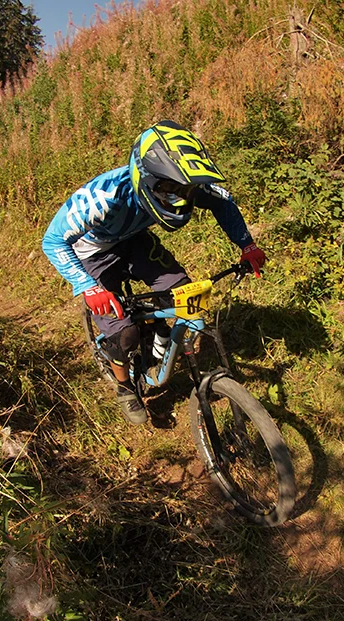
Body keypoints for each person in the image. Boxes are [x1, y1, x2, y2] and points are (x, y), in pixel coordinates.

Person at [42, 120, 267, 424]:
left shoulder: (178, 182)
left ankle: (159, 336)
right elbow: (52, 240)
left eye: (185, 190)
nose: (180, 197)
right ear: (146, 178)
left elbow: (222, 200)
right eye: (170, 189)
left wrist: (247, 245)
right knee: (125, 334)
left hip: (134, 240)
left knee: (182, 293)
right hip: (92, 253)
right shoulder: (103, 198)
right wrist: (87, 286)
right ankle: (124, 387)